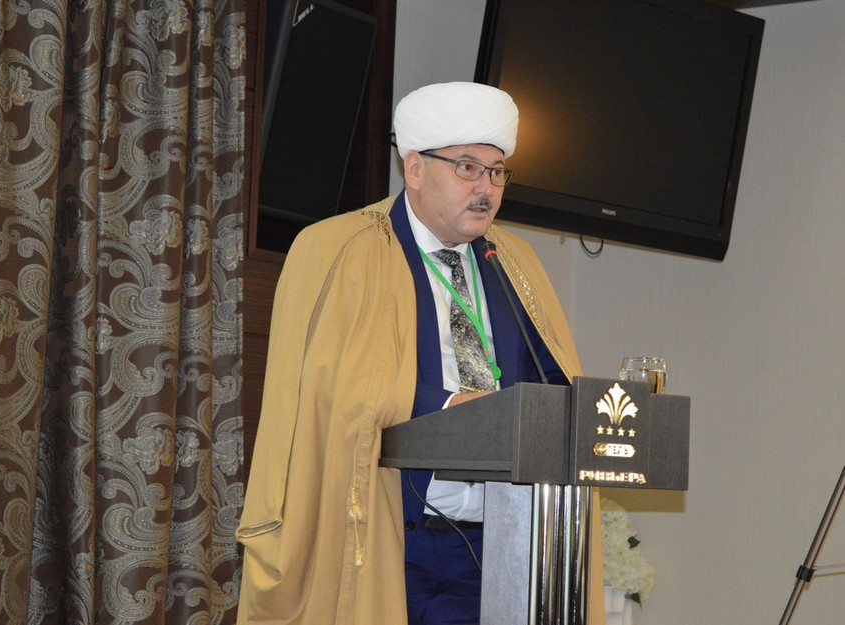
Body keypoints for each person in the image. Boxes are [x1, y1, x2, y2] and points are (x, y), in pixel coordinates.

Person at [236, 82, 604, 625]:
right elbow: (327, 392)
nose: (486, 189)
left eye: (497, 172)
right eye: (467, 168)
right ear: (414, 168)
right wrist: (452, 408)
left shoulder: (514, 259)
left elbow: (552, 379)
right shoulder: (340, 247)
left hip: (507, 544)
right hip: (393, 537)